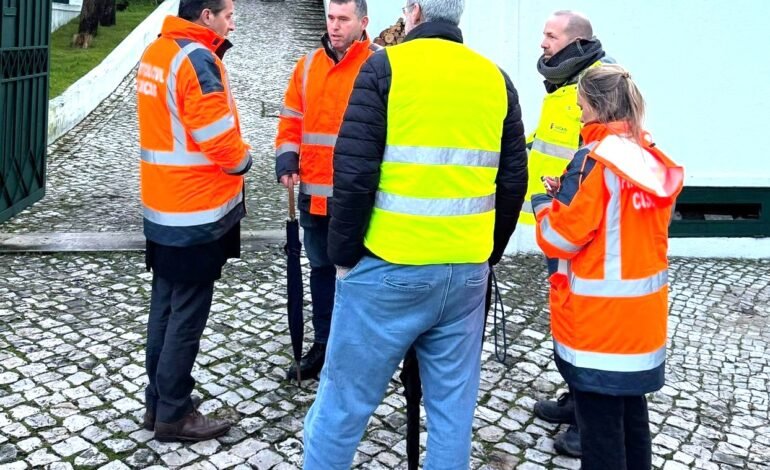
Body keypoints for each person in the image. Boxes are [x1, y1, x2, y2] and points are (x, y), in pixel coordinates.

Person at [302, 0, 528, 468]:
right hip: (465, 272)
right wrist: (488, 254)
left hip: (389, 267)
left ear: (414, 11)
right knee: (451, 416)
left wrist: (342, 256)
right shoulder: (495, 79)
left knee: (343, 407)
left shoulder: (384, 67)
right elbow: (512, 181)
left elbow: (354, 171)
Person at [531, 64, 684, 470]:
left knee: (600, 438)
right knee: (633, 421)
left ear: (597, 107)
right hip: (640, 323)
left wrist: (545, 206)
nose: (579, 115)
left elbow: (563, 238)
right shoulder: (648, 158)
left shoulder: (594, 163)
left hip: (599, 325)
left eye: (581, 107)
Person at [136, 0, 252, 441]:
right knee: (186, 313)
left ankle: (158, 401)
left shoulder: (158, 51)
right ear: (206, 15)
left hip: (163, 206)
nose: (232, 21)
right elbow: (217, 139)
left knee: (163, 308)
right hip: (195, 212)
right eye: (228, 13)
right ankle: (175, 412)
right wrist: (244, 161)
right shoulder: (197, 58)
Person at [275, 0, 379, 381]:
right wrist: (286, 159)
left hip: (358, 198)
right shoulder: (306, 67)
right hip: (314, 196)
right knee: (320, 270)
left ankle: (358, 351)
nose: (334, 26)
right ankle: (322, 343)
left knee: (359, 274)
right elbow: (291, 119)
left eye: (343, 19)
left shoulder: (378, 65)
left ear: (362, 22)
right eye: (330, 18)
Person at [524, 11, 613, 457]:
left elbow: (602, 154)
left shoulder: (599, 86)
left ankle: (588, 425)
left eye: (550, 36)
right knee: (566, 321)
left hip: (583, 232)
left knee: (584, 328)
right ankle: (575, 399)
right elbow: (545, 142)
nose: (542, 42)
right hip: (560, 223)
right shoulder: (564, 85)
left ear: (575, 43)